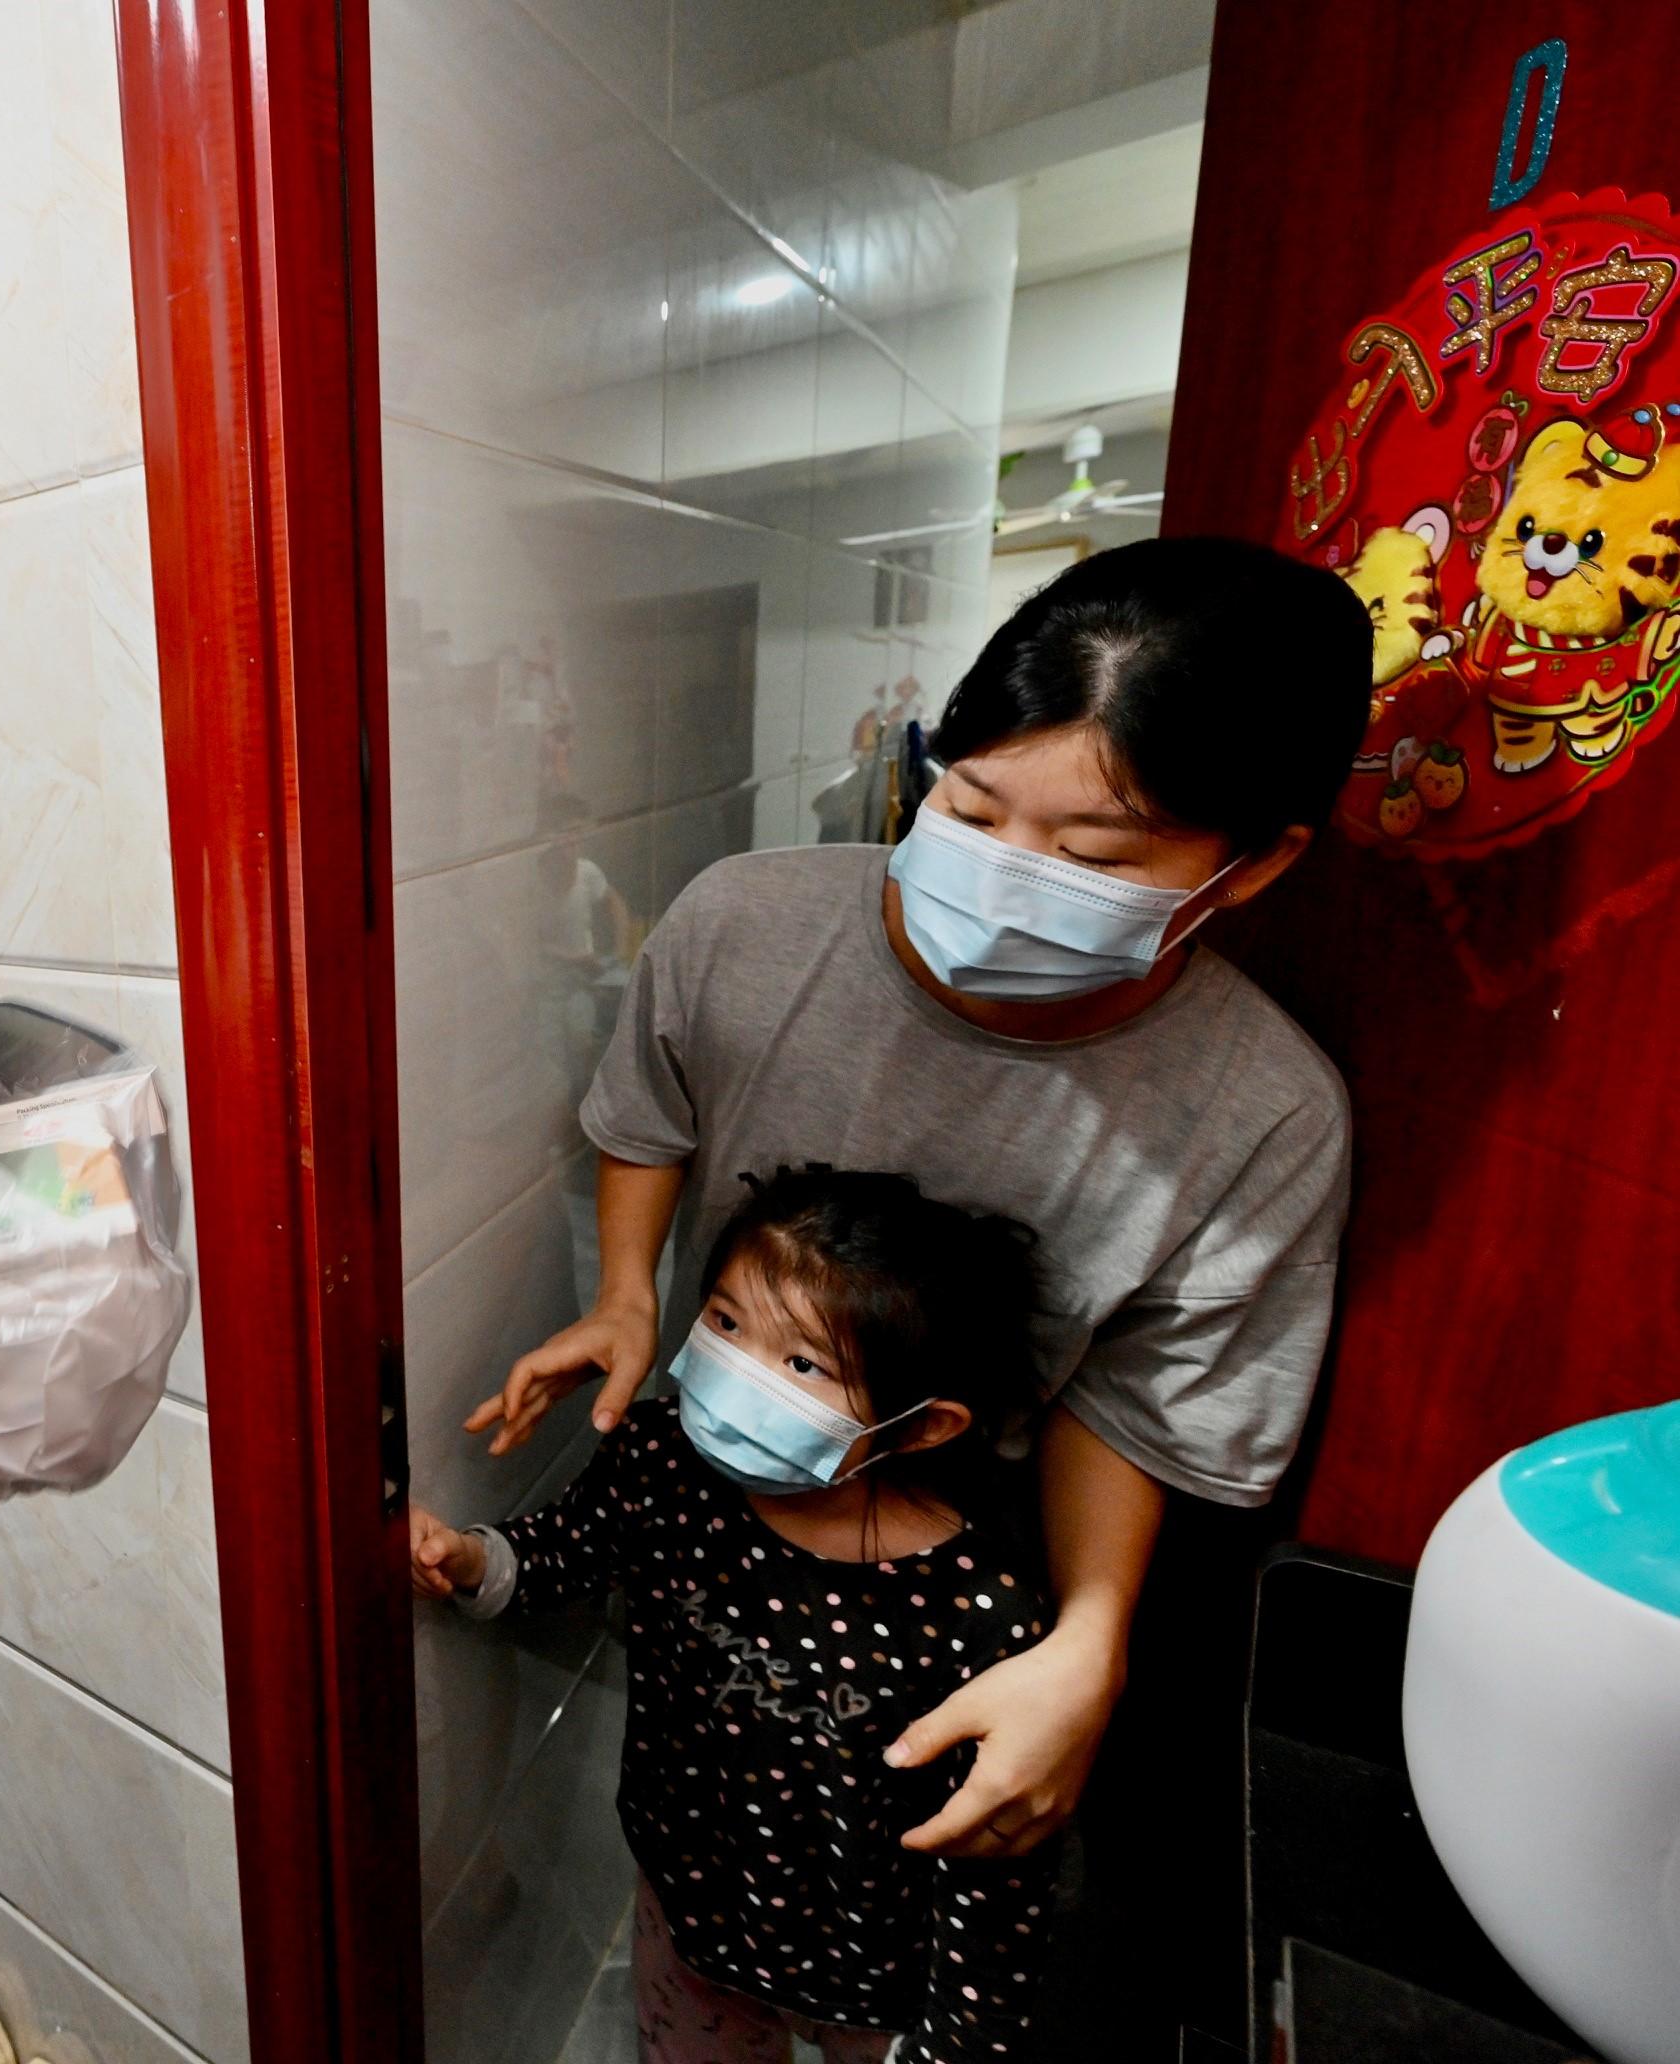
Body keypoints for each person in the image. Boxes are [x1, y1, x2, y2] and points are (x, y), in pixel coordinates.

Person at [468, 538, 1368, 2028]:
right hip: (720, 1586)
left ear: (1254, 862)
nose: (1005, 876)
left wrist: (1086, 1648)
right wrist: (633, 1291)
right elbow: (650, 1111)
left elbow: (1142, 1417)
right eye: (967, 801)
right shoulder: (746, 925)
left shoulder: (1259, 1113)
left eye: (1088, 858)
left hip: (943, 1618)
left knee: (899, 1922)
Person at [414, 1166, 1054, 2063]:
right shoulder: (661, 1461)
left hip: (876, 1979)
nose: (737, 1373)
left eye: (802, 1364)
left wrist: (958, 2044)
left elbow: (995, 1869)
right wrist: (469, 1559)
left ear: (920, 1426)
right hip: (689, 1917)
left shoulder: (980, 1613)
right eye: (723, 1323)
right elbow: (564, 1550)